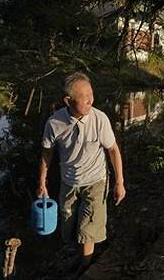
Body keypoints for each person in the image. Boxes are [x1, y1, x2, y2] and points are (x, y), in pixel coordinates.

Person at [37, 72, 126, 275]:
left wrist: (119, 182)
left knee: (87, 231)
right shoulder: (54, 123)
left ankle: (84, 268)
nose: (90, 100)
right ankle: (81, 258)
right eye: (84, 97)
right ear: (68, 101)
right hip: (69, 181)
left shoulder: (99, 119)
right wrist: (42, 181)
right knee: (70, 228)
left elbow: (113, 150)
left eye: (91, 94)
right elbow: (46, 153)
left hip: (96, 180)